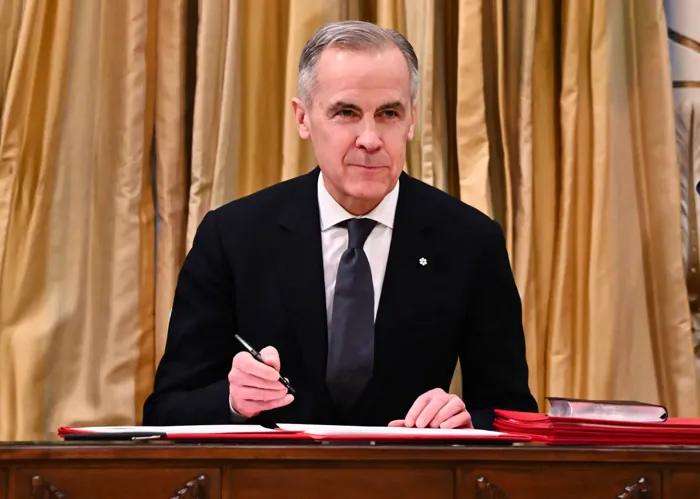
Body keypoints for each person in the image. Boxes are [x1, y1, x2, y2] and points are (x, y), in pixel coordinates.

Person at [142, 20, 538, 430]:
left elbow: (513, 413)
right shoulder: (232, 237)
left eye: (389, 113)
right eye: (346, 113)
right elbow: (165, 411)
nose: (370, 139)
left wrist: (466, 424)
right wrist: (233, 402)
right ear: (303, 118)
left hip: (409, 470)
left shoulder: (471, 242)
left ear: (412, 120)